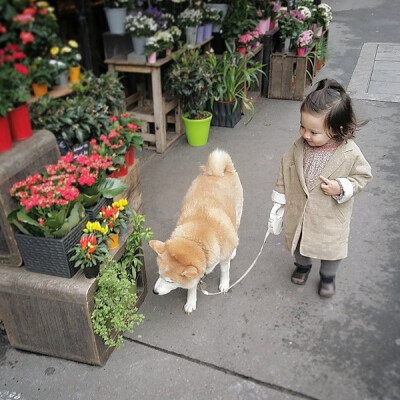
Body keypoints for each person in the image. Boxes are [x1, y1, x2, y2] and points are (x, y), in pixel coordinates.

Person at [268, 78, 372, 297]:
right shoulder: (298, 147)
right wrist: (280, 199)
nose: (306, 135)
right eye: (302, 127)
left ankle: (327, 276)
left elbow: (363, 175)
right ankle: (303, 266)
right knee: (299, 242)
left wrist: (342, 187)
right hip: (301, 210)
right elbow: (284, 168)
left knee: (330, 249)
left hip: (330, 215)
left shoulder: (350, 152)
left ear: (337, 129)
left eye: (314, 132)